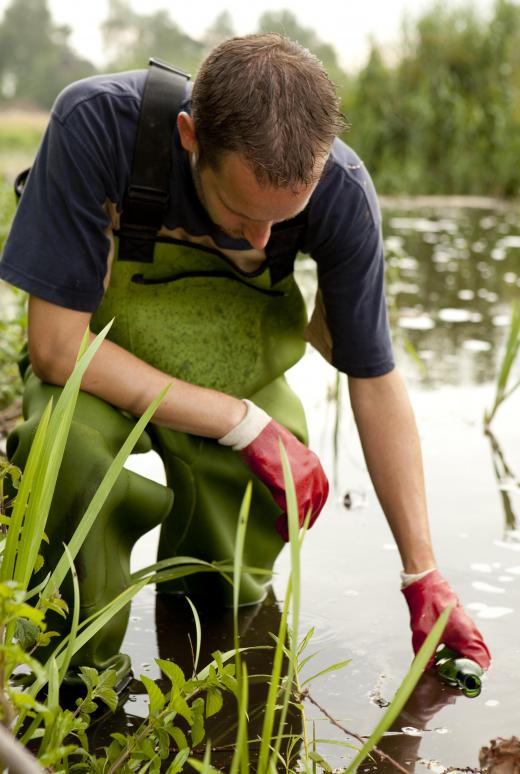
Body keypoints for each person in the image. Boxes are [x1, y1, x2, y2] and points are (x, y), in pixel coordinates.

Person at [0, 34, 490, 677]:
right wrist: (242, 423)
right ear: (189, 136)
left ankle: (217, 671)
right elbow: (58, 350)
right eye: (238, 211)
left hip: (242, 375)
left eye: (282, 220)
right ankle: (75, 679)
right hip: (96, 374)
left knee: (228, 601)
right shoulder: (97, 125)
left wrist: (422, 572)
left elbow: (374, 379)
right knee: (70, 458)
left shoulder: (343, 191)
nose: (260, 238)